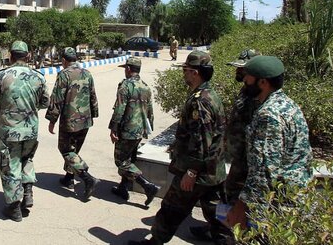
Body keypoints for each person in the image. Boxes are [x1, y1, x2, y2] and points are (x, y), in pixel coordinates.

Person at [129, 50, 227, 245]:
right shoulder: (211, 94)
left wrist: (191, 172)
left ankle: (155, 242)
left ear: (195, 73)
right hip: (213, 171)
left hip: (196, 173)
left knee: (171, 209)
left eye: (186, 70)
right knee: (218, 216)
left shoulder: (200, 101)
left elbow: (201, 139)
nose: (184, 74)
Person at [226, 55, 312, 231]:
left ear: (263, 82)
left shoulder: (268, 115)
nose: (245, 80)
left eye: (248, 76)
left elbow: (263, 170)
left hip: (277, 202)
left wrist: (241, 208)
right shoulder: (288, 105)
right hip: (293, 195)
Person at [0, 41, 50, 222]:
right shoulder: (38, 77)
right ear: (28, 56)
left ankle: (13, 208)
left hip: (9, 131)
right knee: (26, 159)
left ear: (11, 56)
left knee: (9, 165)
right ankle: (27, 192)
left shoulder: (2, 75)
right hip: (30, 130)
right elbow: (45, 102)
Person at [190, 49, 260, 243]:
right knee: (225, 198)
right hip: (236, 159)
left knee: (239, 203)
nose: (237, 72)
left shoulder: (258, 97)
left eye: (241, 69)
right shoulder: (246, 91)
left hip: (248, 162)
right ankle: (218, 228)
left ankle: (229, 236)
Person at [45, 47, 100, 199]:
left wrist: (52, 120)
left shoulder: (64, 75)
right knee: (74, 150)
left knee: (66, 149)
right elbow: (93, 95)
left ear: (64, 60)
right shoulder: (87, 73)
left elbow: (57, 99)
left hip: (70, 121)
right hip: (85, 120)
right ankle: (69, 178)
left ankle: (88, 178)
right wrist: (93, 114)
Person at [109, 57, 160, 206]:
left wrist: (114, 128)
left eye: (126, 68)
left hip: (127, 130)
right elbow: (150, 110)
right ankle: (122, 188)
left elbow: (119, 109)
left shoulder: (125, 86)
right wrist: (148, 127)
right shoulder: (145, 87)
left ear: (129, 69)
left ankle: (147, 186)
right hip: (139, 130)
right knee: (130, 159)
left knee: (121, 161)